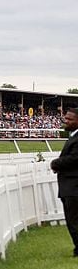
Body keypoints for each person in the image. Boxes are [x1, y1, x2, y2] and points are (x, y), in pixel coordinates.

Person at [50, 108, 78, 256]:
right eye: (65, 118)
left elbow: (74, 158)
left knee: (73, 221)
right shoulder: (73, 136)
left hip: (73, 187)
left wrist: (56, 163)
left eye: (69, 119)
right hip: (69, 186)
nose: (65, 121)